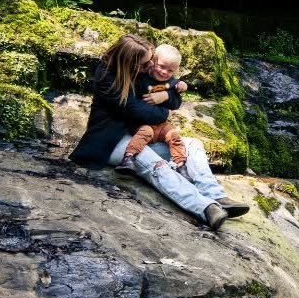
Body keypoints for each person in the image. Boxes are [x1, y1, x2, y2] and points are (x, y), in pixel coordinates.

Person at [71, 34, 249, 229]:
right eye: (147, 63)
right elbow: (142, 112)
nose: (151, 67)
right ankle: (205, 208)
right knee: (153, 162)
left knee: (191, 145)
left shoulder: (141, 73)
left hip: (141, 134)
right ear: (132, 64)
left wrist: (165, 94)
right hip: (113, 141)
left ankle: (216, 195)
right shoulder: (107, 77)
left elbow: (173, 95)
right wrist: (163, 108)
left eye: (152, 60)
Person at [116, 43, 188, 172]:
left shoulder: (172, 82)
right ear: (153, 61)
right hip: (141, 124)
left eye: (170, 70)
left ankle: (180, 164)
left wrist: (169, 94)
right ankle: (128, 158)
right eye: (161, 66)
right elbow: (133, 105)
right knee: (146, 133)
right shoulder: (141, 79)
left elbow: (176, 104)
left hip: (161, 126)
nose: (165, 72)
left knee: (174, 136)